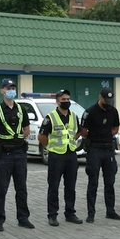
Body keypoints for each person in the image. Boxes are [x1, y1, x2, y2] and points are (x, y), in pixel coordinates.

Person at [0, 78, 34, 232]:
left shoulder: (21, 109)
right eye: (8, 88)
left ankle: (23, 218)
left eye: (13, 88)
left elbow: (27, 129)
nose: (11, 90)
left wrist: (20, 138)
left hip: (19, 154)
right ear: (2, 91)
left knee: (22, 188)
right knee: (1, 190)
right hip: (4, 155)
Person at [37, 89, 83, 226]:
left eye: (68, 99)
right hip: (56, 156)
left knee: (70, 186)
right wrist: (51, 147)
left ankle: (70, 213)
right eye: (63, 100)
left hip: (71, 155)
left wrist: (71, 142)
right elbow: (42, 137)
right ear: (57, 101)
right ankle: (52, 215)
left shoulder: (74, 116)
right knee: (54, 186)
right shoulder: (50, 117)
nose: (66, 102)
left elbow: (79, 131)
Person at [81, 87, 120, 223]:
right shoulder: (90, 111)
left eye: (110, 100)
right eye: (106, 99)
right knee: (93, 182)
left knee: (110, 182)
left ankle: (110, 211)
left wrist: (106, 135)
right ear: (100, 97)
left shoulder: (113, 111)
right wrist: (97, 136)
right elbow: (84, 131)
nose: (108, 102)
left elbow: (116, 127)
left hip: (108, 150)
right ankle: (91, 213)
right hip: (94, 149)